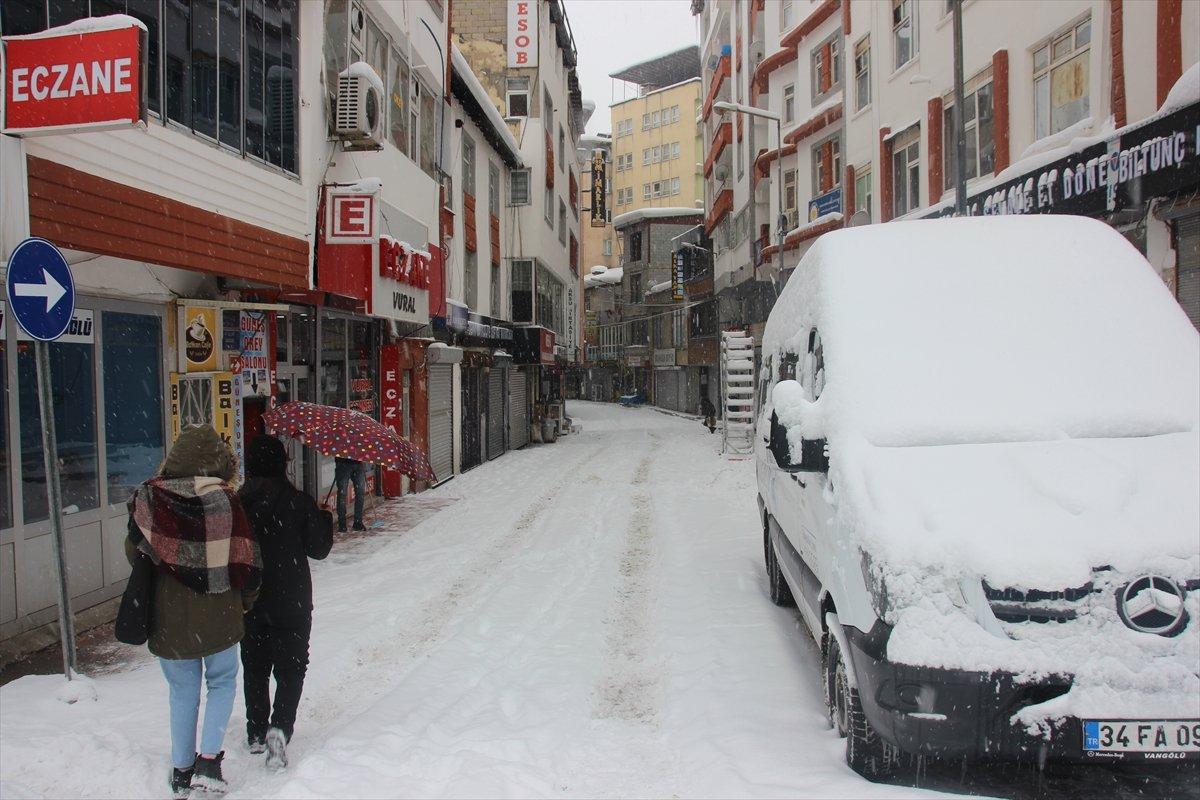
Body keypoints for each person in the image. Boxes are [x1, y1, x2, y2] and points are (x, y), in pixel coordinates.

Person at [126, 425, 261, 799]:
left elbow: (133, 555)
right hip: (220, 614)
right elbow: (247, 558)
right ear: (218, 462)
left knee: (182, 692)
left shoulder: (150, 499)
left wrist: (171, 558)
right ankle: (209, 762)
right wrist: (244, 602)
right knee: (221, 683)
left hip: (170, 619)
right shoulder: (227, 500)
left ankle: (182, 769)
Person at [238, 436, 334, 769]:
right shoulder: (298, 501)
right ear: (283, 464)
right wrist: (324, 518)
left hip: (249, 597)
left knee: (255, 665)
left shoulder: (239, 502)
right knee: (291, 668)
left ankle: (255, 730)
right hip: (291, 598)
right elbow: (318, 549)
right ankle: (279, 728)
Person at [334, 456, 368, 532]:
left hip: (358, 462)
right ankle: (342, 523)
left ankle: (358, 522)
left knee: (360, 493)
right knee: (342, 494)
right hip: (343, 463)